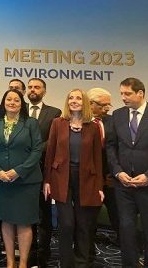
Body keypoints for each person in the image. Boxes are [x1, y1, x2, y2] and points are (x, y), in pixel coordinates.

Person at [106, 78, 148, 268]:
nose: (123, 97)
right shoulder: (117, 115)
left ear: (140, 93)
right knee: (126, 230)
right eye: (121, 93)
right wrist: (117, 172)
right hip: (124, 185)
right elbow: (111, 147)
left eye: (127, 93)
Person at [43, 89, 103, 268]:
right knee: (67, 224)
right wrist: (47, 180)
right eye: (71, 98)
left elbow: (98, 158)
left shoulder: (93, 126)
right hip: (61, 178)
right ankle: (66, 263)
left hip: (87, 180)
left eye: (78, 98)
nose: (74, 101)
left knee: (83, 225)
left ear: (84, 103)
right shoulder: (57, 123)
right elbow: (50, 152)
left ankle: (82, 263)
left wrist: (99, 186)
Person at [0, 89, 42, 268]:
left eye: (16, 100)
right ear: (3, 102)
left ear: (21, 104)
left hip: (26, 182)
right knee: (6, 220)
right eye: (8, 99)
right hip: (1, 181)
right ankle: (10, 262)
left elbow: (37, 150)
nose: (12, 103)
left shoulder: (30, 123)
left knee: (24, 222)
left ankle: (22, 263)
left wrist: (19, 171)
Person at [26, 77, 61, 268]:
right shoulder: (20, 110)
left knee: (44, 213)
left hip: (43, 170)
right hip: (22, 171)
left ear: (44, 91)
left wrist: (34, 152)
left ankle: (44, 252)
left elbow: (54, 140)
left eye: (37, 87)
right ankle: (29, 252)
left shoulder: (54, 112)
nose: (33, 90)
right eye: (30, 87)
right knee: (26, 214)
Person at [87, 87, 119, 242]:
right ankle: (87, 250)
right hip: (88, 179)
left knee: (118, 215)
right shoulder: (78, 121)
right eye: (103, 105)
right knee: (88, 219)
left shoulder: (114, 122)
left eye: (108, 105)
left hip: (110, 178)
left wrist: (114, 172)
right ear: (90, 103)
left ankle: (129, 251)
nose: (107, 108)